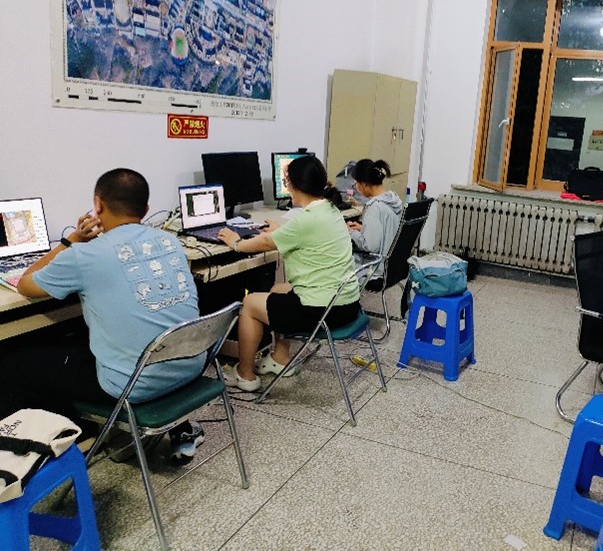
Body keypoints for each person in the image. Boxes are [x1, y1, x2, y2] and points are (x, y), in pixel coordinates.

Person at [8, 169, 205, 463]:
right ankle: (177, 427)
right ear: (146, 209)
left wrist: (71, 240)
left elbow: (25, 284)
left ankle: (53, 450)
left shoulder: (86, 255)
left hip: (134, 385)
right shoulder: (170, 241)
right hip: (191, 366)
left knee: (14, 364)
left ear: (97, 204)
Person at [218, 156, 360, 392]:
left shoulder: (307, 218)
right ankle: (280, 358)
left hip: (322, 311)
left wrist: (235, 243)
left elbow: (266, 243)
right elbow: (298, 234)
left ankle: (245, 375)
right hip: (347, 304)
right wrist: (280, 232)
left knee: (250, 304)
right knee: (278, 289)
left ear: (293, 185)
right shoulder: (330, 209)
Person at [347, 159, 403, 280]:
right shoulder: (393, 201)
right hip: (394, 267)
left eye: (355, 184)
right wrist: (363, 229)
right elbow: (388, 230)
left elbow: (369, 246)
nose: (356, 188)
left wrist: (351, 232)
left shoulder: (374, 207)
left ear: (364, 184)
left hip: (376, 270)